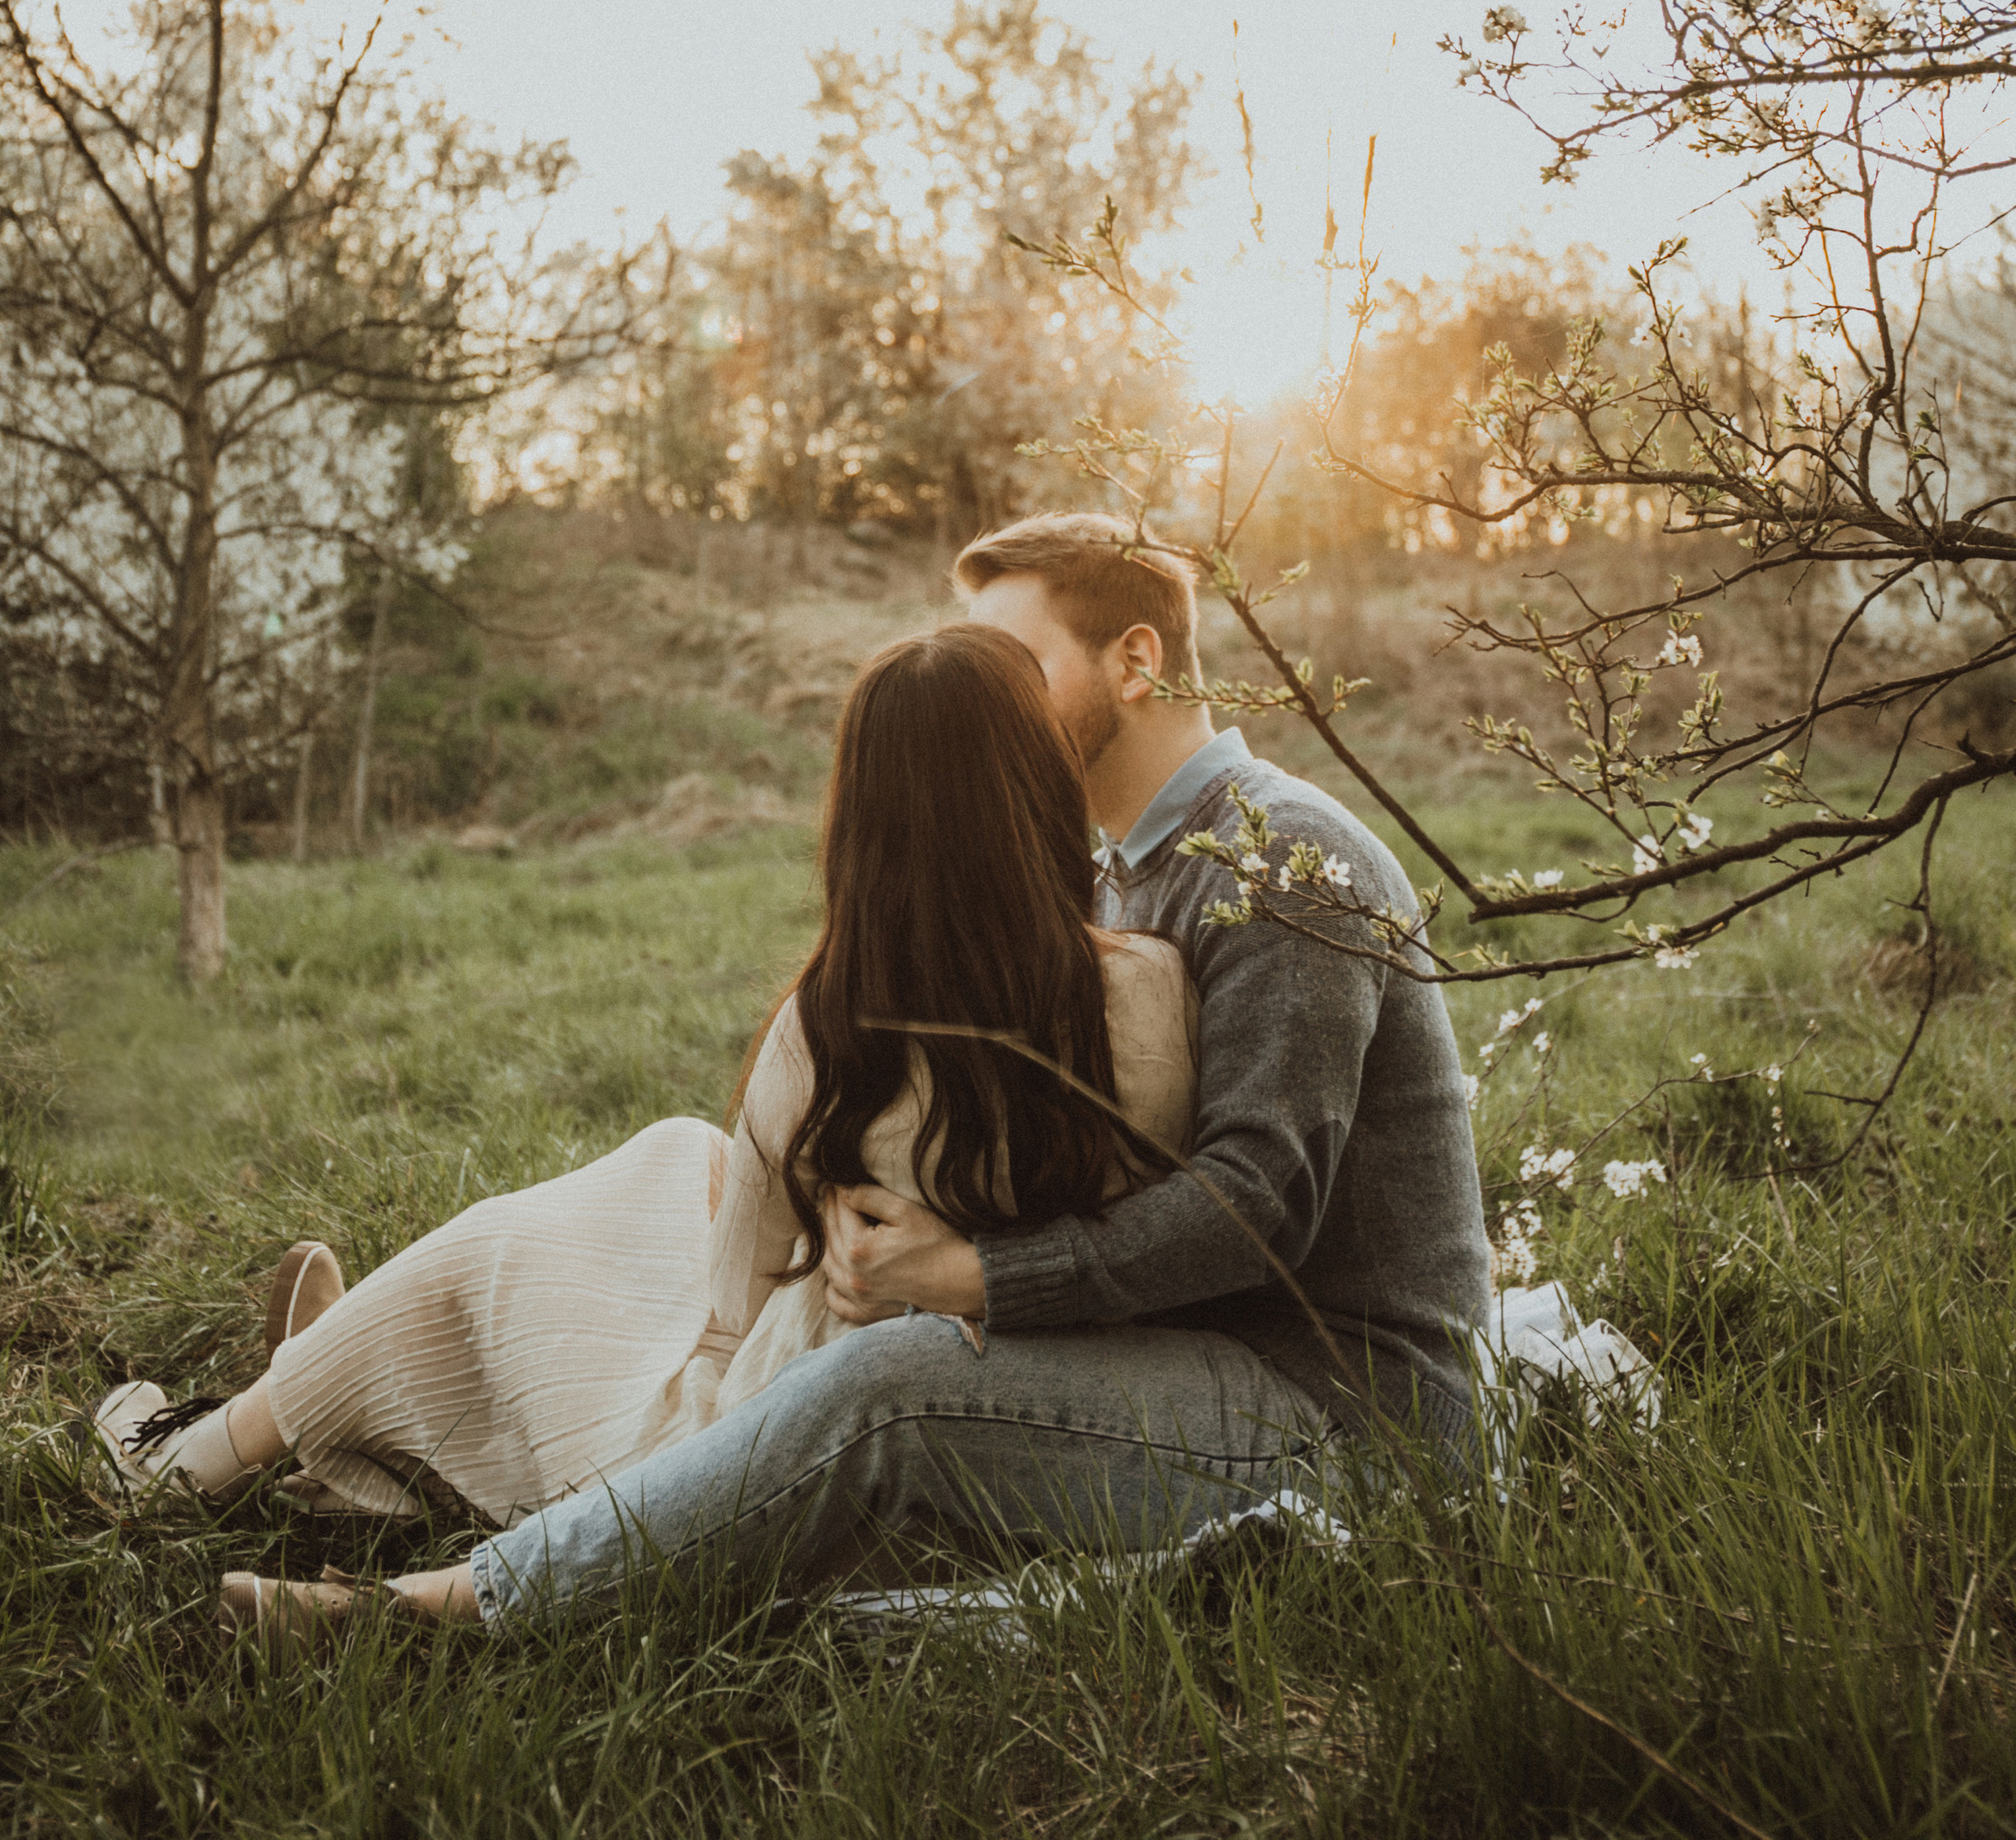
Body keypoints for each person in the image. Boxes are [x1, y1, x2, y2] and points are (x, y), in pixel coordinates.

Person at [212, 512, 1491, 1643]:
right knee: (695, 1182)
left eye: (1016, 666)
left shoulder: (1287, 867)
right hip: (1174, 1347)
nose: (983, 699)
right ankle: (383, 1383)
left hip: (1336, 1416)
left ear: (1136, 661)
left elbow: (1254, 1206)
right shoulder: (1113, 874)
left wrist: (972, 1272)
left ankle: (444, 1609)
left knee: (892, 1382)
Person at [92, 625, 1199, 1642]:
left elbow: (734, 1308)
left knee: (513, 1250)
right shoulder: (1145, 993)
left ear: (863, 820)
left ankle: (206, 1447)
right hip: (1018, 1444)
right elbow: (1136, 1222)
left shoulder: (838, 1023)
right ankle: (361, 1399)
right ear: (1039, 787)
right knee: (682, 1159)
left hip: (748, 1458)